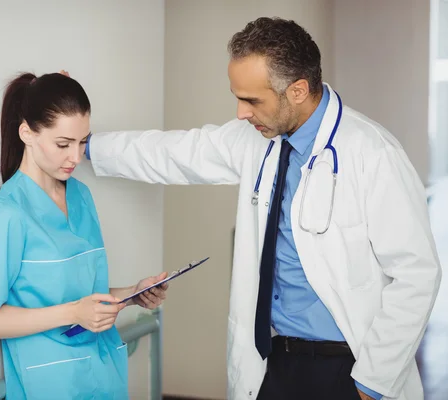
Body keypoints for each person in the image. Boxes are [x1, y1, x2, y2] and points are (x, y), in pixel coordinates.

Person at [82, 17, 441, 400]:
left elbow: (416, 274)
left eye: (252, 100)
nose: (240, 113)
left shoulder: (373, 153)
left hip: (349, 369)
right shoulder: (258, 139)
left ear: (298, 91)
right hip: (276, 364)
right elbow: (174, 153)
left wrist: (372, 383)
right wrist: (83, 145)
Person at [0, 72, 168, 400]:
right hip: (52, 385)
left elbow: (79, 292)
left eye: (83, 141)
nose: (76, 156)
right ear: (27, 133)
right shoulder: (8, 215)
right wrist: (73, 314)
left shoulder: (81, 197)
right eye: (63, 144)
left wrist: (131, 293)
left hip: (105, 374)